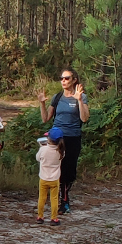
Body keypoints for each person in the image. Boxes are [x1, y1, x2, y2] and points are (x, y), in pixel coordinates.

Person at [38, 68, 89, 214]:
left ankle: (64, 199)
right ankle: (61, 200)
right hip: (56, 138)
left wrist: (79, 100)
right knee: (55, 168)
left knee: (69, 170)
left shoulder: (81, 97)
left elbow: (84, 118)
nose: (63, 81)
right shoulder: (57, 97)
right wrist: (42, 103)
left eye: (67, 78)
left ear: (74, 80)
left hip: (72, 137)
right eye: (61, 78)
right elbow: (45, 118)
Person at [36, 127, 65, 225]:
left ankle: (40, 216)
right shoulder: (61, 151)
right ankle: (54, 218)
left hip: (43, 178)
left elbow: (38, 158)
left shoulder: (43, 149)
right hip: (55, 179)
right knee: (54, 199)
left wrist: (42, 147)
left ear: (48, 139)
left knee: (42, 198)